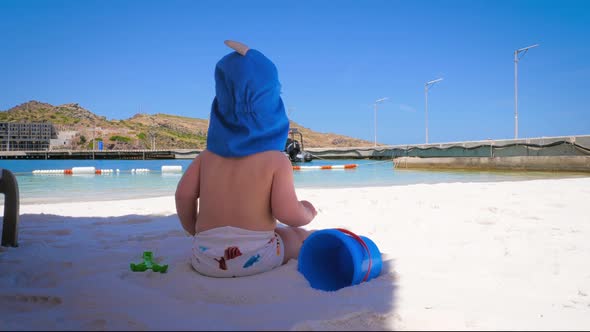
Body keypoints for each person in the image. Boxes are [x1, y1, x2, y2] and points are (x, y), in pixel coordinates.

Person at [175, 40, 317, 278]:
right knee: (297, 237)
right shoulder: (276, 161)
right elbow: (287, 214)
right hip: (257, 257)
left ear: (219, 109)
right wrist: (307, 212)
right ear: (273, 111)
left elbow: (183, 195)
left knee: (277, 235)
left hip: (203, 256)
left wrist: (194, 230)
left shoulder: (206, 158)